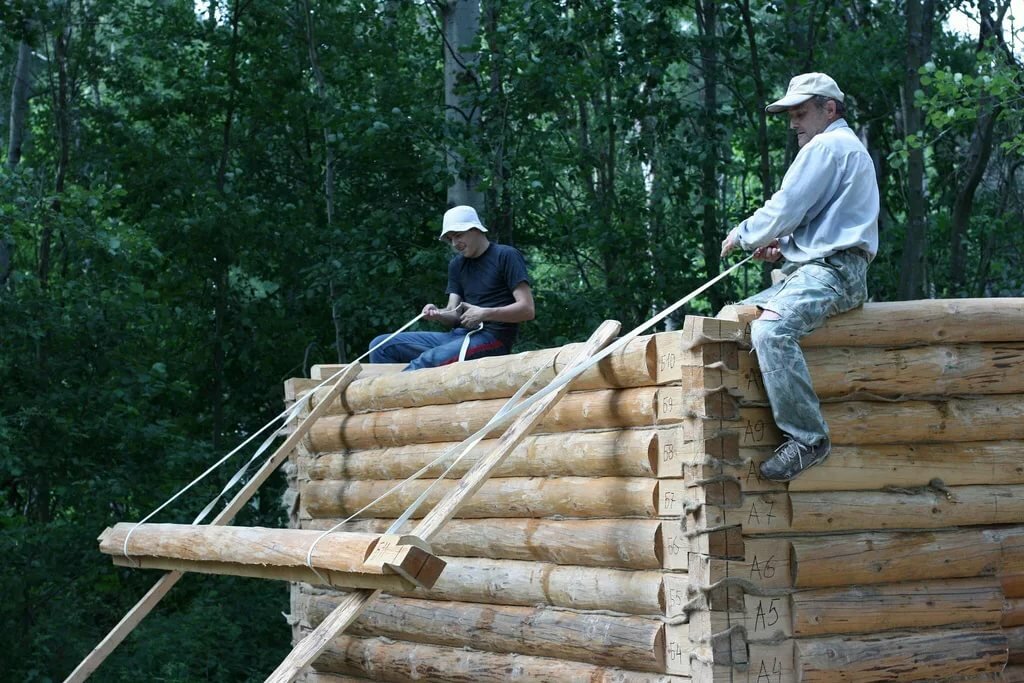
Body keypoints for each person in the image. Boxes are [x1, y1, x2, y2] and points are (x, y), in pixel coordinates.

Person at [720, 72, 879, 482]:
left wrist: (745, 234)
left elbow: (786, 205)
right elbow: (815, 221)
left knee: (770, 331)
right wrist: (783, 246)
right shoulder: (844, 148)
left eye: (801, 112)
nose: (793, 122)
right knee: (732, 317)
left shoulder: (828, 145)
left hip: (833, 272)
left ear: (830, 109)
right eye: (790, 114)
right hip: (817, 267)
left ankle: (808, 438)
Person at [369, 205, 534, 371]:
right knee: (381, 345)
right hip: (457, 337)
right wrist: (438, 313)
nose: (455, 243)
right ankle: (382, 392)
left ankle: (391, 394)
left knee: (428, 361)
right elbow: (454, 314)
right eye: (450, 238)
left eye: (458, 235)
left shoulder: (506, 255)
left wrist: (485, 313)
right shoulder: (457, 265)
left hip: (493, 339)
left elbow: (527, 309)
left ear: (476, 229)